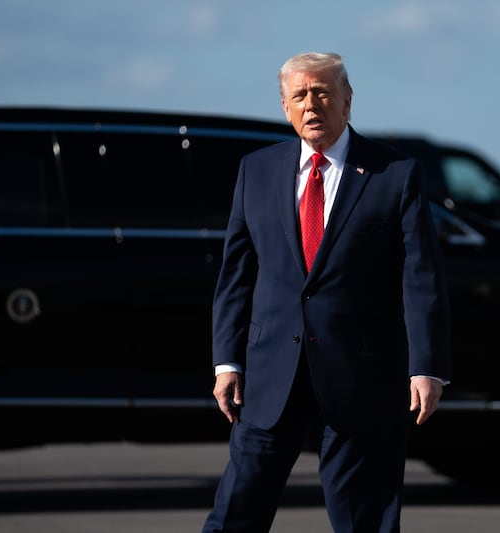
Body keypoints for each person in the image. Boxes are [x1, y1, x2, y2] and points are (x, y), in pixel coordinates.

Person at [202, 52, 452, 532]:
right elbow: (237, 275)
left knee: (366, 522)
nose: (311, 104)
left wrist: (427, 368)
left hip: (362, 377)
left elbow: (421, 278)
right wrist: (227, 362)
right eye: (299, 95)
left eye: (322, 93)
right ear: (285, 107)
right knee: (234, 514)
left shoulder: (394, 174)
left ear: (347, 101)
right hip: (270, 376)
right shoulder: (257, 171)